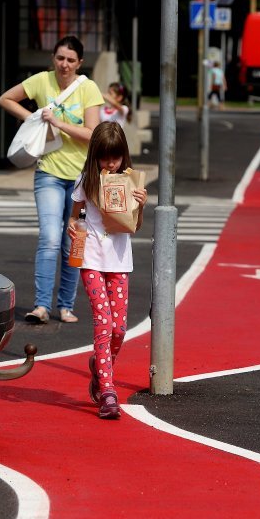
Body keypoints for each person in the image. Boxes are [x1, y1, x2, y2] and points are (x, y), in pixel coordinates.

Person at [0, 36, 103, 324]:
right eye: (60, 58)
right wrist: (34, 118)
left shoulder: (89, 88)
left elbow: (94, 133)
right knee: (49, 239)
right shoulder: (42, 81)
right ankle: (42, 306)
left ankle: (66, 306)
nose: (64, 64)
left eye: (70, 60)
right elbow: (5, 99)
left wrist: (59, 124)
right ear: (53, 58)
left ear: (79, 63)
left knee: (73, 243)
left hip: (82, 179)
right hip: (49, 173)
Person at [68, 122, 147, 419]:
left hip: (119, 261)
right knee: (103, 322)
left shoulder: (131, 182)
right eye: (104, 157)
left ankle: (100, 370)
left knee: (120, 328)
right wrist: (73, 230)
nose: (110, 163)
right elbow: (74, 218)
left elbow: (134, 227)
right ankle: (108, 391)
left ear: (124, 155)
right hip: (91, 259)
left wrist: (141, 206)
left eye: (115, 157)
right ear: (95, 156)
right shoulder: (86, 180)